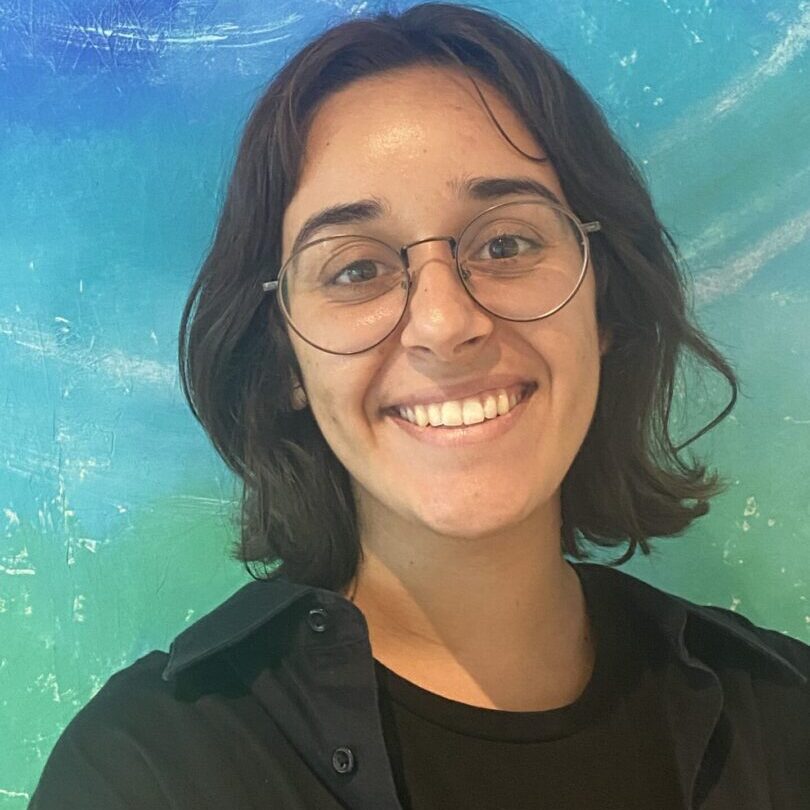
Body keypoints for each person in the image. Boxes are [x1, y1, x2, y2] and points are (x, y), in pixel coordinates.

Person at [30, 3, 809, 809]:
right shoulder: (149, 773)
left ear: (603, 301)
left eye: (505, 244)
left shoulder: (788, 721)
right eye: (356, 270)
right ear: (286, 359)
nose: (444, 324)